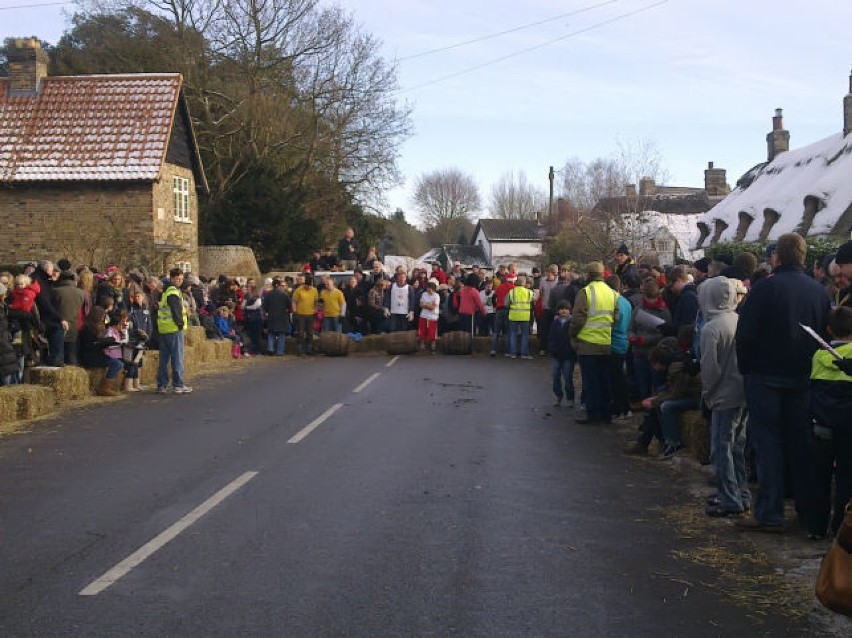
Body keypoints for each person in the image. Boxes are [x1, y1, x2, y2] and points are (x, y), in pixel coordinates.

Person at [735, 232, 831, 533]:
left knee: (768, 446)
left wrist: (747, 369)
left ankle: (770, 511)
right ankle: (806, 511)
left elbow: (745, 335)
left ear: (777, 257)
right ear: (803, 256)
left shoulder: (764, 289)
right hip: (804, 377)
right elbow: (825, 337)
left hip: (765, 377)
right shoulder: (818, 292)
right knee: (801, 444)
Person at [699, 276, 751, 517]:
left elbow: (710, 369)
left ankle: (730, 499)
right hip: (743, 393)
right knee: (737, 447)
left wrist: (708, 395)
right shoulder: (740, 321)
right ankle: (742, 493)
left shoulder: (711, 329)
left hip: (723, 396)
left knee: (721, 449)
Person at [807, 306, 852, 539]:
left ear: (828, 330)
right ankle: (840, 525)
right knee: (845, 477)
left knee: (819, 476)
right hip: (848, 426)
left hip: (822, 424)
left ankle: (815, 526)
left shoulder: (818, 356)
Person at [570, 261, 619, 424]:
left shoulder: (586, 292)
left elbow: (577, 319)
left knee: (590, 382)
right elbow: (615, 318)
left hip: (587, 344)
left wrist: (572, 335)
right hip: (605, 343)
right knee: (605, 380)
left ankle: (593, 414)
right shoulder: (612, 293)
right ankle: (606, 414)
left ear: (589, 275)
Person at [641, 342, 702, 459]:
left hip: (696, 397)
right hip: (690, 393)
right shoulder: (673, 365)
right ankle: (663, 438)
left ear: (658, 362)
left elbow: (676, 393)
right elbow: (672, 389)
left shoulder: (676, 369)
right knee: (659, 397)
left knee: (666, 406)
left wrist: (655, 401)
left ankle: (673, 442)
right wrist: (657, 398)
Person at [156, 268, 192, 394]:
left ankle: (162, 384)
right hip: (173, 328)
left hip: (164, 328)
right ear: (171, 278)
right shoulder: (173, 292)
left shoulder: (165, 291)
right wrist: (181, 324)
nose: (180, 281)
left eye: (181, 279)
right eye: (177, 279)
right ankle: (178, 384)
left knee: (164, 358)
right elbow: (176, 310)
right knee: (177, 357)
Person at [78, 306, 124, 396]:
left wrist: (109, 342)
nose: (103, 319)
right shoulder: (87, 329)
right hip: (89, 356)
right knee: (117, 364)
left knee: (119, 363)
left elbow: (97, 344)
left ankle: (106, 387)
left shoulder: (94, 327)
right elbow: (91, 345)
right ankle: (104, 388)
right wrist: (105, 342)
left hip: (96, 353)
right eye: (102, 317)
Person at [31, 260, 67, 366]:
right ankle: (55, 360)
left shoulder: (40, 279)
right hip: (40, 318)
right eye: (51, 270)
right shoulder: (38, 280)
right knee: (58, 329)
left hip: (41, 315)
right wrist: (60, 318)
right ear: (46, 270)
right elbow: (45, 303)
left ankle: (52, 359)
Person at [606, 274, 632, 421]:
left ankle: (620, 408)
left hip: (613, 342)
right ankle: (625, 408)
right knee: (621, 377)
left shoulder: (612, 303)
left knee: (615, 379)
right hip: (624, 341)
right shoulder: (626, 303)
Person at [54, 270, 86, 365]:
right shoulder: (81, 293)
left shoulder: (55, 291)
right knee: (71, 354)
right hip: (74, 326)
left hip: (58, 325)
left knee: (58, 356)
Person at [549, 300, 576, 407]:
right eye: (561, 309)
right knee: (555, 375)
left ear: (570, 310)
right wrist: (552, 348)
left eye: (566, 309)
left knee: (568, 377)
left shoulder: (572, 322)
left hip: (568, 355)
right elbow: (551, 337)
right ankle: (558, 395)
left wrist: (573, 350)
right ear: (558, 311)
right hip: (556, 354)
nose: (564, 311)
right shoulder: (555, 323)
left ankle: (570, 397)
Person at [505, 274, 533, 359]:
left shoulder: (511, 292)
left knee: (513, 335)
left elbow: (506, 304)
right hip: (525, 316)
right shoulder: (529, 292)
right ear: (524, 283)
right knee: (525, 335)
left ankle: (513, 353)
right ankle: (524, 354)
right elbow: (534, 301)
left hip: (513, 315)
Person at [291, 274, 318, 355]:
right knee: (301, 333)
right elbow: (293, 301)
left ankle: (309, 349)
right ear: (304, 284)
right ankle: (299, 349)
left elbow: (316, 302)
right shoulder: (298, 290)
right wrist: (295, 311)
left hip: (311, 314)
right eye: (307, 286)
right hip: (300, 314)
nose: (309, 287)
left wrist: (316, 310)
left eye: (310, 286)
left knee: (310, 333)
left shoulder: (314, 290)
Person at [263, 277, 291, 356]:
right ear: (278, 285)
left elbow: (264, 306)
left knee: (271, 333)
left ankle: (270, 349)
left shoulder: (268, 294)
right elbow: (289, 305)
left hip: (271, 316)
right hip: (282, 316)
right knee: (281, 334)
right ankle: (280, 351)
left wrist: (268, 311)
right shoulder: (284, 295)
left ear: (272, 285)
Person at [490, 273, 516, 356]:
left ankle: (493, 350)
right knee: (507, 331)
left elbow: (494, 297)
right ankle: (507, 352)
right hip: (508, 310)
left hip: (499, 309)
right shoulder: (513, 288)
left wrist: (495, 306)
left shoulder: (500, 287)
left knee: (496, 331)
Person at [418, 278, 440, 353]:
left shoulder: (436, 296)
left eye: (430, 289)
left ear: (434, 289)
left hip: (432, 317)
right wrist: (428, 305)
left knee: (432, 333)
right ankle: (422, 346)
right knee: (422, 331)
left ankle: (433, 347)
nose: (428, 290)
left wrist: (426, 304)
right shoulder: (424, 294)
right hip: (423, 316)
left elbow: (432, 307)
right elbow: (421, 305)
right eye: (428, 288)